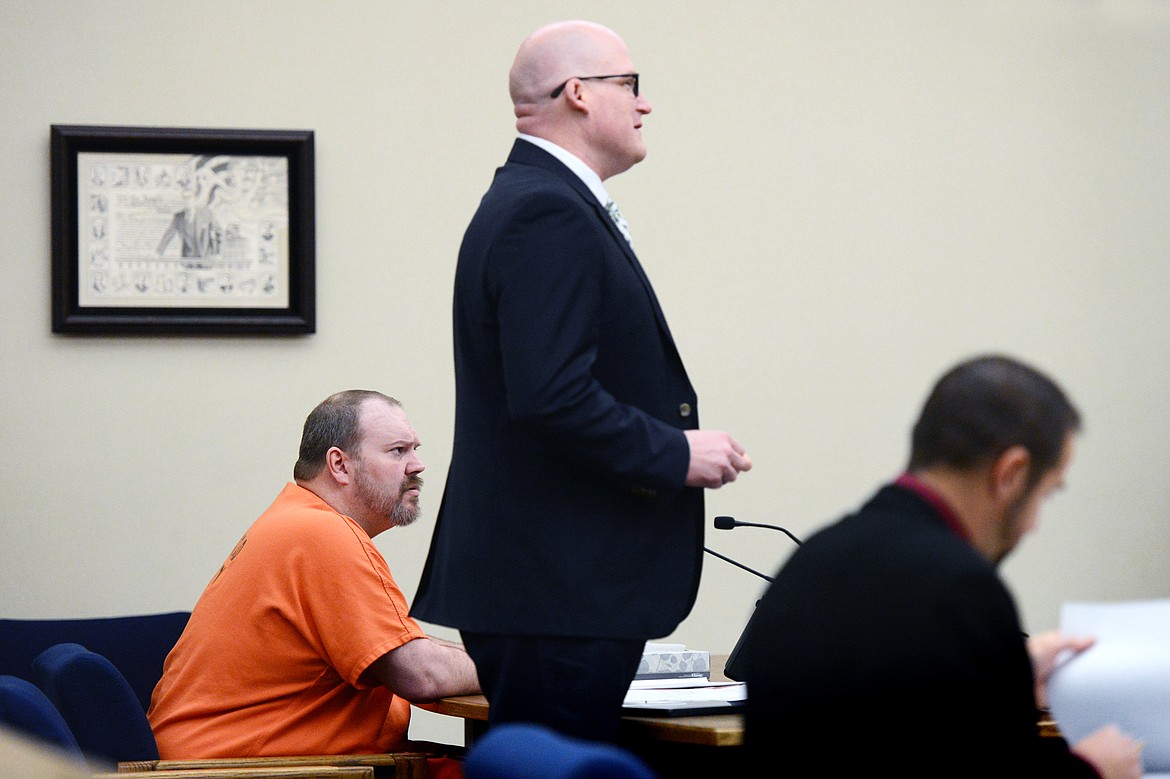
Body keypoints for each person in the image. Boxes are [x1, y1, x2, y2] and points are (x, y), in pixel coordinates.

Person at [411, 20, 752, 744]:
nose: (644, 104)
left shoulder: (535, 200)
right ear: (578, 94)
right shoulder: (546, 211)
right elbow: (551, 395)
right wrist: (675, 452)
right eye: (630, 85)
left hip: (546, 591)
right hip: (556, 593)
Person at [741, 355, 1143, 778]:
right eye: (1046, 494)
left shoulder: (809, 562)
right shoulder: (962, 589)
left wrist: (1005, 671)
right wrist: (1095, 771)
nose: (1034, 525)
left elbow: (898, 716)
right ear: (1011, 473)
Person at [149, 391, 479, 777]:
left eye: (414, 450)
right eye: (397, 451)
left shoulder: (296, 520)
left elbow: (402, 648)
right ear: (339, 464)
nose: (417, 465)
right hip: (241, 769)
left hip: (226, 759)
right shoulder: (323, 534)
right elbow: (421, 673)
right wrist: (520, 662)